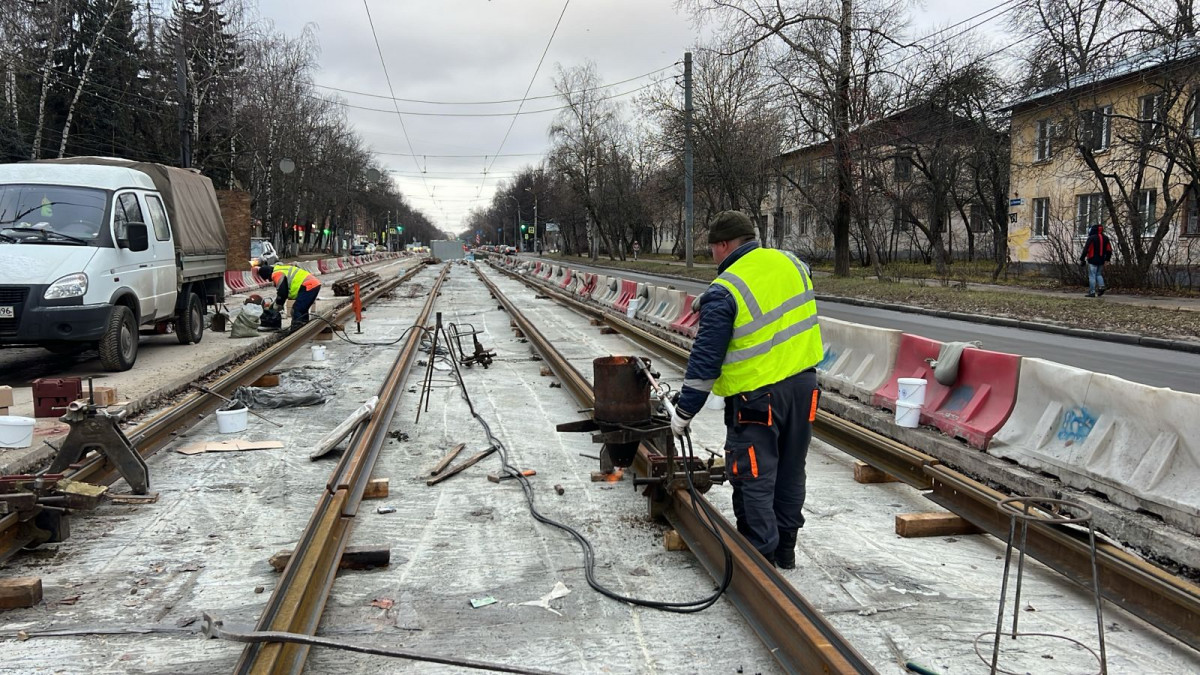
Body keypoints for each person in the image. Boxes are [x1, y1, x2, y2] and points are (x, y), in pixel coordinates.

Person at [669, 211, 823, 569]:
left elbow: (705, 364)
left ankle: (760, 560)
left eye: (711, 249)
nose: (712, 257)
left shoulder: (726, 291)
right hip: (804, 388)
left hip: (757, 400)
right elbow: (776, 292)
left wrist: (685, 412)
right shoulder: (790, 262)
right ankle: (785, 551)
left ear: (723, 245)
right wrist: (711, 300)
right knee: (790, 470)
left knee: (755, 475)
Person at [255, 263, 322, 330]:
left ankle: (297, 331)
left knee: (297, 310)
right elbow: (284, 291)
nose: (270, 280)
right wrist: (277, 302)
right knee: (303, 310)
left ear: (267, 275)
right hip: (313, 284)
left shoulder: (276, 274)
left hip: (308, 285)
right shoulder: (280, 268)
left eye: (267, 278)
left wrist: (278, 305)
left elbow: (282, 292)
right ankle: (304, 329)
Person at [1079, 223, 1113, 297]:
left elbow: (1086, 249)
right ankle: (1101, 287)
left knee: (1092, 275)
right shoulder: (1105, 238)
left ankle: (1092, 291)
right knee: (1099, 274)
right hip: (1101, 260)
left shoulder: (1091, 238)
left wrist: (1082, 258)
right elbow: (1109, 250)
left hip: (1092, 259)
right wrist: (1107, 259)